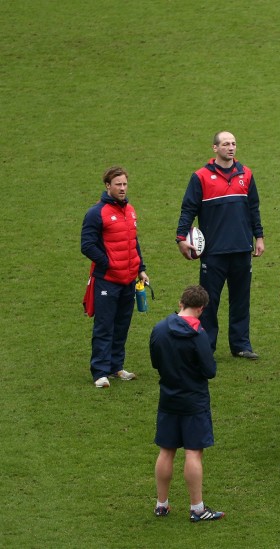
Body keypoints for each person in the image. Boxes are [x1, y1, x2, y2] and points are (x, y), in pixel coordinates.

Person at [175, 131, 264, 359]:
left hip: (242, 249)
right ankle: (207, 345)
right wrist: (180, 238)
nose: (231, 147)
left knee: (241, 300)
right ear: (215, 148)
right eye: (226, 144)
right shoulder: (201, 177)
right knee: (208, 302)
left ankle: (241, 345)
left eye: (233, 143)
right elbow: (188, 210)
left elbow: (253, 208)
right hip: (213, 252)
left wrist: (259, 237)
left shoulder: (246, 174)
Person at [150, 285, 223, 522]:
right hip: (194, 400)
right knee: (193, 451)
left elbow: (155, 361)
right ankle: (197, 508)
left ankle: (161, 504)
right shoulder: (198, 333)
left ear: (181, 302)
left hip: (168, 397)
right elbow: (209, 370)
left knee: (166, 450)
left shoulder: (159, 329)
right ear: (200, 308)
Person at [81, 166, 148, 388]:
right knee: (104, 326)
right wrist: (109, 263)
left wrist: (141, 268)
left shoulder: (130, 210)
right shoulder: (95, 213)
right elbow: (87, 245)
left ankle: (116, 367)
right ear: (107, 186)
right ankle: (100, 371)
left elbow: (133, 242)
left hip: (129, 279)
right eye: (117, 184)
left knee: (121, 325)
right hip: (107, 281)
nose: (122, 188)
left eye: (124, 184)